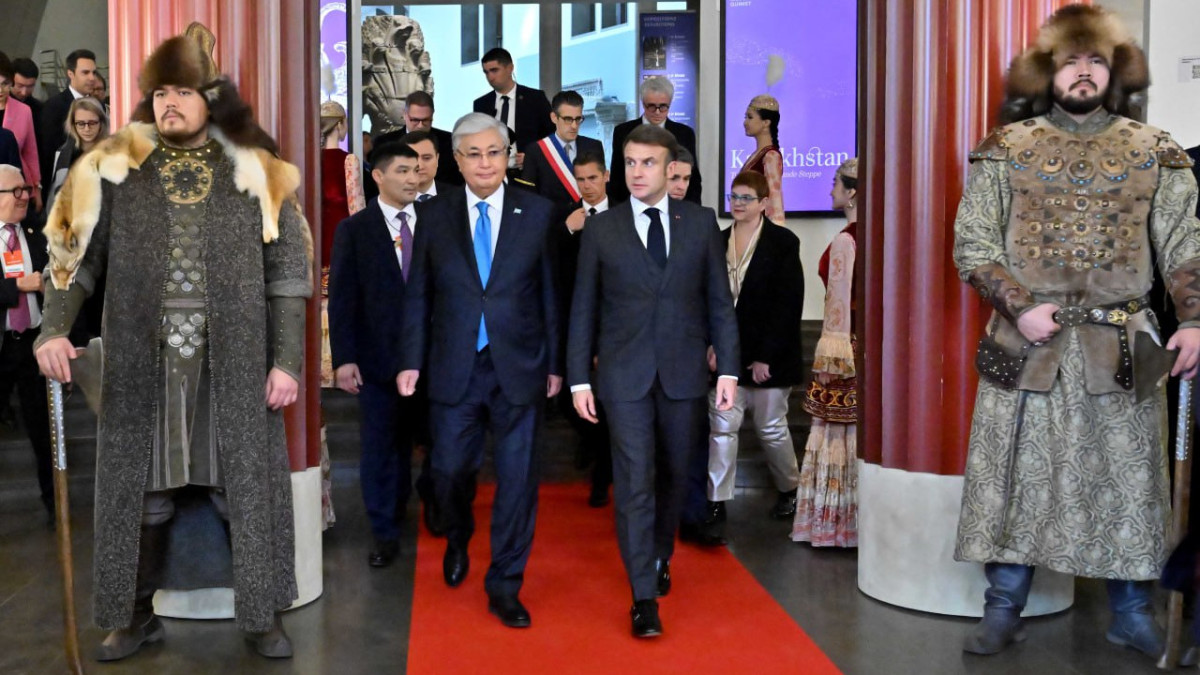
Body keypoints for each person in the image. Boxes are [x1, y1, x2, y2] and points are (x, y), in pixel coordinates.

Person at [34, 24, 312, 661]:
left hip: (233, 356)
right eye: (161, 93)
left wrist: (286, 362)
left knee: (240, 489)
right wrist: (53, 328)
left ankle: (263, 614)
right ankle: (132, 617)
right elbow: (71, 255)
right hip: (144, 358)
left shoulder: (256, 165)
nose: (170, 104)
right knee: (143, 494)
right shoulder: (111, 164)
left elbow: (287, 273)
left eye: (183, 92)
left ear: (211, 97)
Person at [950, 6, 1200, 661]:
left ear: (1115, 72)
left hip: (1123, 343)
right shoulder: (1007, 148)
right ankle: (1003, 608)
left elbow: (1185, 246)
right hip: (1027, 342)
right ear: (1048, 71)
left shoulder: (1155, 150)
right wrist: (1019, 306)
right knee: (1014, 478)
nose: (1083, 72)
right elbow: (973, 243)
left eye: (1095, 61)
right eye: (1070, 61)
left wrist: (1194, 319)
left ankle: (1131, 614)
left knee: (1130, 481)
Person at [568, 124, 740, 638]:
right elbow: (583, 308)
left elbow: (719, 303)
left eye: (648, 163)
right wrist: (578, 379)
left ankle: (661, 552)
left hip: (684, 375)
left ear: (671, 170)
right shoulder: (603, 228)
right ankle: (643, 595)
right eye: (630, 163)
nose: (637, 172)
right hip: (623, 378)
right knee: (635, 480)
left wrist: (728, 369)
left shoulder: (700, 223)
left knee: (673, 475)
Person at [397, 112, 560, 629]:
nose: (485, 163)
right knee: (447, 471)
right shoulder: (434, 215)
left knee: (518, 481)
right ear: (457, 160)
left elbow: (552, 294)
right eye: (474, 154)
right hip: (454, 366)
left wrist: (557, 364)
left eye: (494, 152)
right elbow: (419, 295)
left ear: (508, 157)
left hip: (520, 366)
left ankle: (505, 583)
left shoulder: (538, 212)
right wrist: (410, 360)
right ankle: (459, 533)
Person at [330, 142, 429, 567]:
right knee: (380, 446)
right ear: (378, 176)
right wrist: (344, 358)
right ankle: (384, 531)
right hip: (377, 359)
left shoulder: (436, 222)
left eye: (417, 170)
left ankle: (431, 510)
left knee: (433, 443)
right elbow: (343, 299)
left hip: (432, 359)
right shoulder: (355, 230)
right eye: (403, 170)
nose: (413, 178)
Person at [704, 171, 804, 541]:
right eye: (734, 197)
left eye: (747, 197)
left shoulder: (783, 242)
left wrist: (766, 356)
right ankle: (716, 501)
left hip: (769, 355)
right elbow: (705, 299)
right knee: (722, 428)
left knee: (771, 428)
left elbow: (788, 304)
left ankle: (790, 489)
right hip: (726, 355)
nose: (738, 204)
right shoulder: (716, 241)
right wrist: (711, 344)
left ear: (764, 203)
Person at [791, 158, 858, 547]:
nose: (831, 189)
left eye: (836, 183)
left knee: (837, 432)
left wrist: (830, 360)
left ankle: (836, 525)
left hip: (846, 347)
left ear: (852, 192)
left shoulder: (847, 240)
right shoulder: (878, 234)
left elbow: (837, 305)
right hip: (867, 346)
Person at [557, 150, 614, 507]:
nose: (587, 185)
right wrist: (567, 230)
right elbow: (553, 265)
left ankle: (602, 476)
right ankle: (592, 443)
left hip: (612, 324)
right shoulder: (566, 216)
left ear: (606, 176)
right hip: (573, 322)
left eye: (593, 178)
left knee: (608, 403)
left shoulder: (623, 214)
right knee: (567, 398)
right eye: (580, 179)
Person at [0, 166, 53, 520]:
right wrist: (17, 285)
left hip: (34, 345)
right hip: (2, 347)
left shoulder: (38, 233)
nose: (24, 197)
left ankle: (55, 507)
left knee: (44, 433)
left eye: (26, 189)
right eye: (15, 191)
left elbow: (63, 279)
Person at [609, 76, 702, 205]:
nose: (657, 112)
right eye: (652, 106)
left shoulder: (684, 134)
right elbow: (617, 177)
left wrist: (692, 211)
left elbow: (693, 178)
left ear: (670, 103)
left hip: (675, 207)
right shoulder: (623, 132)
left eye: (663, 107)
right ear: (643, 103)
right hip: (632, 206)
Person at [521, 90, 603, 223]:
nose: (574, 126)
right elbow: (530, 199)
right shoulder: (535, 151)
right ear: (554, 117)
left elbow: (601, 189)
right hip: (552, 226)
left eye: (578, 119)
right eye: (568, 119)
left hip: (589, 225)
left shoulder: (594, 147)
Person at [471, 48, 553, 174]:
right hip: (493, 174)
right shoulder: (481, 104)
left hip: (528, 174)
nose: (490, 77)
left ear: (510, 68)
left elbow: (552, 137)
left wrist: (534, 157)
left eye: (494, 70)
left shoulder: (535, 98)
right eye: (486, 72)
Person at [39, 49, 97, 200]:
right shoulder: (54, 106)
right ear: (70, 74)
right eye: (85, 73)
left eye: (93, 72)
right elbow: (48, 152)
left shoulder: (98, 106)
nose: (92, 78)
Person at [46, 96, 109, 209]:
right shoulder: (63, 153)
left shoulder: (112, 152)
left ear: (101, 122)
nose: (86, 129)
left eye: (92, 123)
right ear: (73, 124)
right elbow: (55, 194)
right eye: (81, 123)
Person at [0, 54, 42, 212]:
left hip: (16, 184)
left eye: (5, 84)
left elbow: (31, 153)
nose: (1, 90)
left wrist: (37, 188)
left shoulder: (24, 110)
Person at [402, 90, 462, 186]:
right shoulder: (385, 143)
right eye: (415, 120)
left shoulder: (450, 142)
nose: (420, 126)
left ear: (432, 115)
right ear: (405, 114)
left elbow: (456, 181)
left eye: (425, 120)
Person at [740, 94, 784, 221]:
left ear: (766, 122)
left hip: (760, 225)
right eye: (745, 117)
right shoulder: (757, 154)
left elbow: (774, 199)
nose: (745, 122)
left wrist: (774, 230)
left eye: (750, 117)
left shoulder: (771, 155)